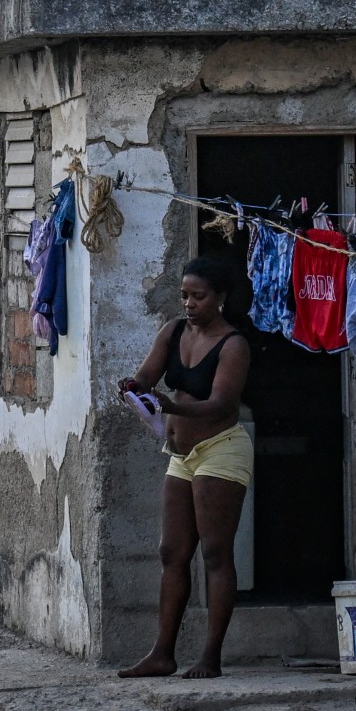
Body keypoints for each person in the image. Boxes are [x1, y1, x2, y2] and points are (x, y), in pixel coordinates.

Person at [116, 256, 255, 680]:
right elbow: (147, 373)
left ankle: (211, 657)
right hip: (180, 455)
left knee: (215, 552)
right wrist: (134, 387)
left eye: (199, 296)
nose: (189, 304)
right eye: (185, 295)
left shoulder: (233, 344)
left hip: (221, 449)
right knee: (172, 551)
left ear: (221, 299)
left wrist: (171, 405)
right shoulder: (173, 331)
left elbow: (223, 403)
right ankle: (162, 653)